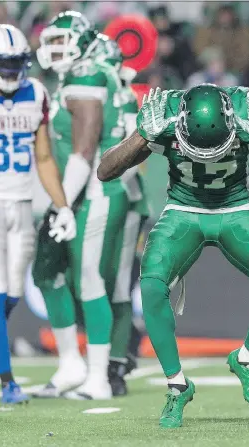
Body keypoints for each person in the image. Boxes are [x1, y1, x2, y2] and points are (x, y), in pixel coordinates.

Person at [97, 85, 249, 427]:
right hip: (183, 210)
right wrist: (141, 135)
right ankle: (177, 385)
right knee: (151, 287)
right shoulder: (164, 114)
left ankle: (245, 359)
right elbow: (105, 170)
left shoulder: (245, 112)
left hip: (236, 208)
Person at [31, 10, 130, 400]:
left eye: (62, 42)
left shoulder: (86, 76)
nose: (54, 50)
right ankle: (72, 364)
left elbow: (83, 152)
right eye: (51, 42)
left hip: (95, 192)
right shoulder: (86, 74)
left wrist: (63, 205)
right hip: (84, 192)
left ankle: (98, 378)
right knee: (49, 273)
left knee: (90, 280)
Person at [0, 24, 76, 403]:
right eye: (3, 63)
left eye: (16, 63)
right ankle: (8, 383)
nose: (9, 71)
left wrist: (62, 203)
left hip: (21, 204)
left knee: (14, 294)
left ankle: (1, 365)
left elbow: (43, 157)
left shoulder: (36, 93)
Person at [92, 34, 150, 396]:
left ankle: (117, 359)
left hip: (123, 198)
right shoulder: (78, 95)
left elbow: (129, 158)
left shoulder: (123, 97)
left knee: (116, 284)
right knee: (89, 281)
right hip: (93, 197)